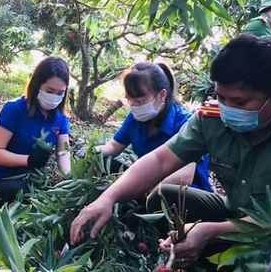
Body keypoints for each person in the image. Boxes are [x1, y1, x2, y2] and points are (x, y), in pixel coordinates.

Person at [70, 35, 271, 268]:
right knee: (162, 197)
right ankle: (197, 259)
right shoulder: (212, 117)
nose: (225, 108)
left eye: (238, 102)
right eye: (220, 97)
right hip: (233, 211)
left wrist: (210, 231)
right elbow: (160, 160)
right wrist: (108, 197)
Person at [87, 62, 211, 191]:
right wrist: (92, 152)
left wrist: (137, 189)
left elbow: (185, 176)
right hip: (147, 182)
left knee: (166, 192)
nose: (134, 105)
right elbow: (113, 146)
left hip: (181, 195)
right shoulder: (135, 118)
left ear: (162, 95)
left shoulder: (185, 123)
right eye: (130, 100)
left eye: (140, 101)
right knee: (103, 161)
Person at [0, 56, 71, 202]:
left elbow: (63, 153)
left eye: (60, 93)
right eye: (49, 90)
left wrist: (68, 181)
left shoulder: (61, 118)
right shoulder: (14, 109)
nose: (54, 97)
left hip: (35, 180)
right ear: (37, 84)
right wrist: (28, 160)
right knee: (18, 192)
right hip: (5, 179)